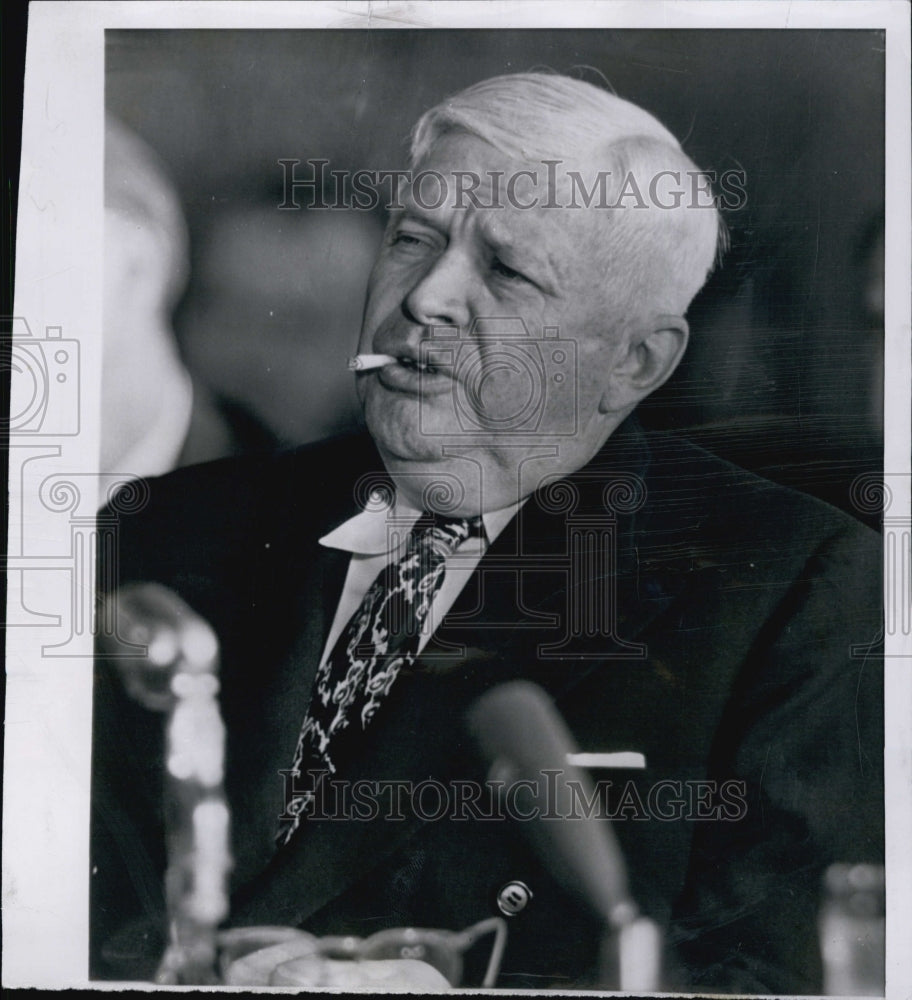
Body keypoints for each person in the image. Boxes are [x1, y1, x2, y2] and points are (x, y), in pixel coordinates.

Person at [91, 73, 883, 992]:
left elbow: (782, 977)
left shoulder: (789, 589)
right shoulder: (167, 531)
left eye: (505, 271)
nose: (426, 297)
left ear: (635, 360)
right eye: (413, 239)